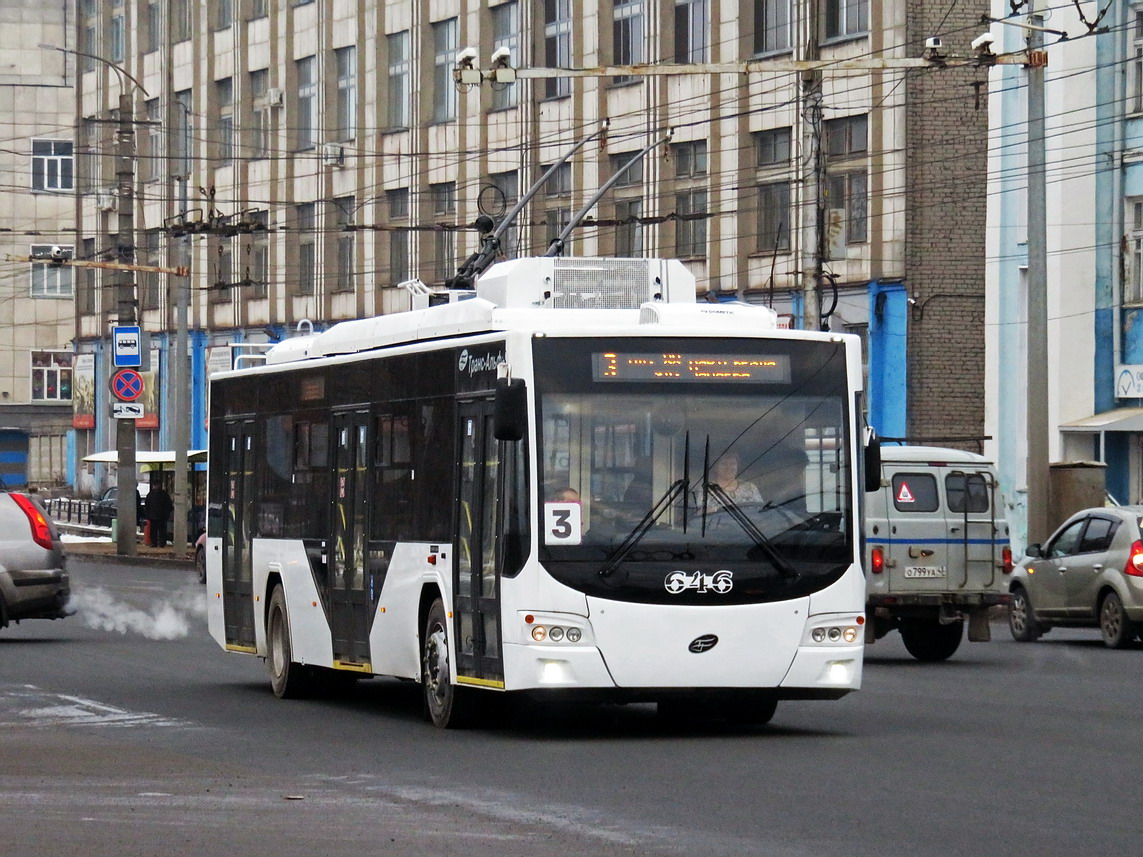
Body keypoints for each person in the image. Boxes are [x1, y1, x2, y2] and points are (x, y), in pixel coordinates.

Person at [144, 482, 174, 547]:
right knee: (162, 530)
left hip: (153, 517)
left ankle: (154, 543)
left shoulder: (150, 494)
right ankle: (162, 543)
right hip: (162, 517)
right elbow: (169, 505)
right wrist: (166, 514)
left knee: (154, 531)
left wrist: (148, 515)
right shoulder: (164, 494)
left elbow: (147, 506)